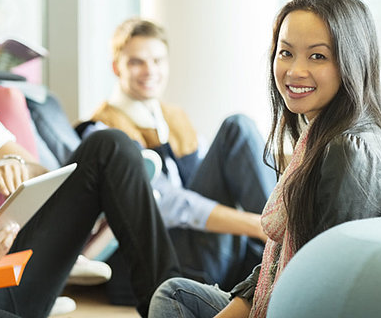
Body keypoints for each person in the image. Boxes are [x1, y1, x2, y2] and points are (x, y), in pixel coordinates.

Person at [148, 0, 381, 318]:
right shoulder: (321, 136)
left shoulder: (351, 150)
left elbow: (327, 288)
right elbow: (281, 262)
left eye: (317, 56)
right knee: (175, 295)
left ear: (352, 62)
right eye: (285, 53)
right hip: (298, 293)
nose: (295, 71)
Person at [0, 0, 179, 317]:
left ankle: (168, 306)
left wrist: (10, 165)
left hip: (4, 281)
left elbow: (44, 178)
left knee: (109, 145)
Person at [89, 18, 277, 299]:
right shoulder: (103, 131)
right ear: (117, 67)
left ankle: (280, 240)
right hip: (168, 256)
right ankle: (282, 240)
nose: (150, 70)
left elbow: (206, 183)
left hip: (206, 248)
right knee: (234, 128)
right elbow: (170, 204)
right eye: (136, 62)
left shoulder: (173, 118)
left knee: (239, 127)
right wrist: (257, 226)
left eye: (157, 60)